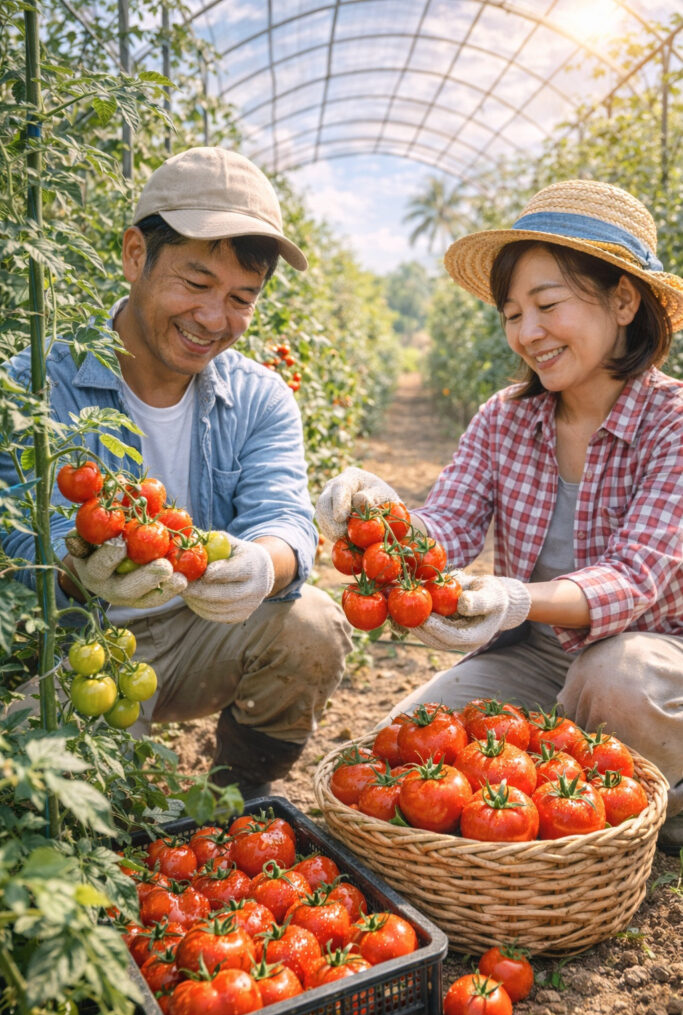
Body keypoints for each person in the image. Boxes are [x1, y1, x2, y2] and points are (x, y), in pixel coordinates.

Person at [316, 178, 683, 852]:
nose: (527, 333)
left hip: (653, 660)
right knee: (399, 749)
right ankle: (581, 793)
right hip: (534, 656)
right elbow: (447, 528)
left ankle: (666, 801)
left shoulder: (673, 424)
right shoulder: (506, 419)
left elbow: (634, 578)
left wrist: (513, 595)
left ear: (623, 300)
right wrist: (380, 517)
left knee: (612, 680)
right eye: (512, 314)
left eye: (546, 304)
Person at [1, 146, 352, 798]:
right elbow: (17, 534)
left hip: (199, 634)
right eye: (194, 284)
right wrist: (72, 564)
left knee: (310, 625)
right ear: (135, 254)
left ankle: (237, 792)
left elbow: (284, 515)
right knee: (53, 792)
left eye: (241, 298)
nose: (215, 319)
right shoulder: (35, 380)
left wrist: (261, 565)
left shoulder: (259, 396)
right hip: (79, 645)